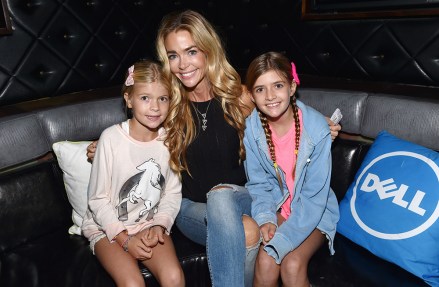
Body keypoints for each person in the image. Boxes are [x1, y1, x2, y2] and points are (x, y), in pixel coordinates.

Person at [86, 10, 341, 287]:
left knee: (225, 201)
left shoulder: (239, 98)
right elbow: (140, 125)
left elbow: (278, 105)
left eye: (191, 51)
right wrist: (107, 143)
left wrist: (317, 121)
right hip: (190, 208)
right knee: (238, 221)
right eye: (173, 55)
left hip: (242, 198)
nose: (182, 64)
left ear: (208, 50)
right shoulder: (169, 105)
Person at [81, 60, 184, 287]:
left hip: (149, 224)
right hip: (106, 228)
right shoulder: (110, 139)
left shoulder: (170, 141)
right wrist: (125, 240)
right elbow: (97, 200)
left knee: (174, 277)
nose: (155, 107)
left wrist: (159, 225)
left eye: (162, 98)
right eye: (145, 98)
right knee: (132, 284)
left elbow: (172, 194)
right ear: (129, 100)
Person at [243, 51, 340, 287]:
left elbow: (314, 199)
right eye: (260, 89)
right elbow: (259, 184)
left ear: (292, 87)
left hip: (314, 212)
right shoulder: (252, 129)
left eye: (277, 85)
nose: (270, 96)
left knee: (292, 264)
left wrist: (284, 239)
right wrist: (266, 218)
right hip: (279, 205)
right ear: (252, 96)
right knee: (266, 262)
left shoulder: (317, 129)